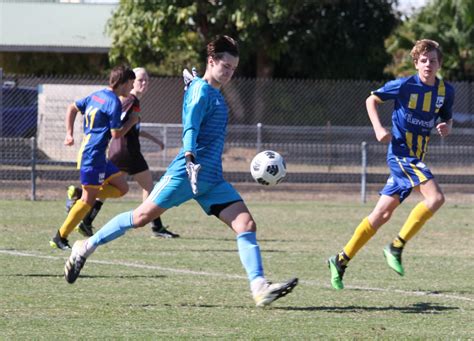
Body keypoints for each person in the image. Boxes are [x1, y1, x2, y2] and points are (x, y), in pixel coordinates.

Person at [63, 35, 298, 307]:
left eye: (234, 69)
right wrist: (188, 155)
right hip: (186, 173)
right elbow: (191, 126)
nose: (230, 73)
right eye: (226, 66)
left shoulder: (209, 91)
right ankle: (85, 247)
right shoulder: (201, 90)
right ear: (212, 61)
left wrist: (193, 86)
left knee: (245, 224)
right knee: (140, 217)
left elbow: (196, 106)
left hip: (210, 179)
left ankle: (259, 287)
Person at [327, 39, 455, 290]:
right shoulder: (404, 85)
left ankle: (340, 260)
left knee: (381, 214)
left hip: (416, 158)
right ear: (416, 63)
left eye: (434, 60)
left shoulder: (445, 91)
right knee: (436, 198)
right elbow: (371, 100)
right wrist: (377, 128)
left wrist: (446, 127)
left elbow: (446, 117)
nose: (429, 64)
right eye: (424, 60)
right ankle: (395, 247)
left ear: (440, 64)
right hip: (401, 155)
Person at [67, 67, 180, 239]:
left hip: (119, 150)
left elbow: (133, 127)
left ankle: (85, 216)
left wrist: (154, 139)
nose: (144, 83)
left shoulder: (131, 100)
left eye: (147, 80)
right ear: (131, 82)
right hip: (128, 152)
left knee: (108, 187)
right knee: (149, 187)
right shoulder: (130, 100)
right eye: (140, 80)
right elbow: (120, 125)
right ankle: (156, 227)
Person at [49, 65, 138, 250]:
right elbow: (116, 134)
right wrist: (132, 121)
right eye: (131, 83)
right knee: (88, 202)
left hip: (98, 156)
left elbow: (72, 108)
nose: (132, 88)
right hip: (92, 156)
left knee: (122, 187)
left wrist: (69, 133)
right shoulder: (113, 102)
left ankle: (78, 193)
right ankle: (60, 237)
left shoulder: (96, 95)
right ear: (123, 83)